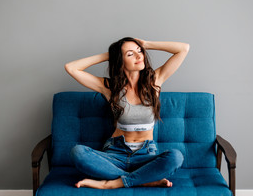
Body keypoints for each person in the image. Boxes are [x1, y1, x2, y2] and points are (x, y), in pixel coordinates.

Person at [64, 37, 190, 189]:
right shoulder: (110, 87)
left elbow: (183, 48)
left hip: (146, 154)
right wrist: (110, 55)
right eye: (130, 54)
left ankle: (112, 183)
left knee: (176, 157)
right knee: (78, 153)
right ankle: (143, 179)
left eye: (139, 51)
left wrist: (146, 44)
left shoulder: (154, 82)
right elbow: (71, 67)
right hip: (114, 153)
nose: (139, 56)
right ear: (120, 60)